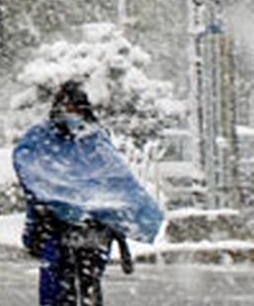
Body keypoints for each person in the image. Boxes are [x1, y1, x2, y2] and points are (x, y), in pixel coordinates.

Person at [13, 80, 163, 306]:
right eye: (66, 108)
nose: (70, 114)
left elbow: (116, 179)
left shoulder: (95, 140)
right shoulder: (42, 138)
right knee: (56, 288)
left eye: (75, 109)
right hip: (55, 228)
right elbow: (34, 179)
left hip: (93, 231)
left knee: (88, 286)